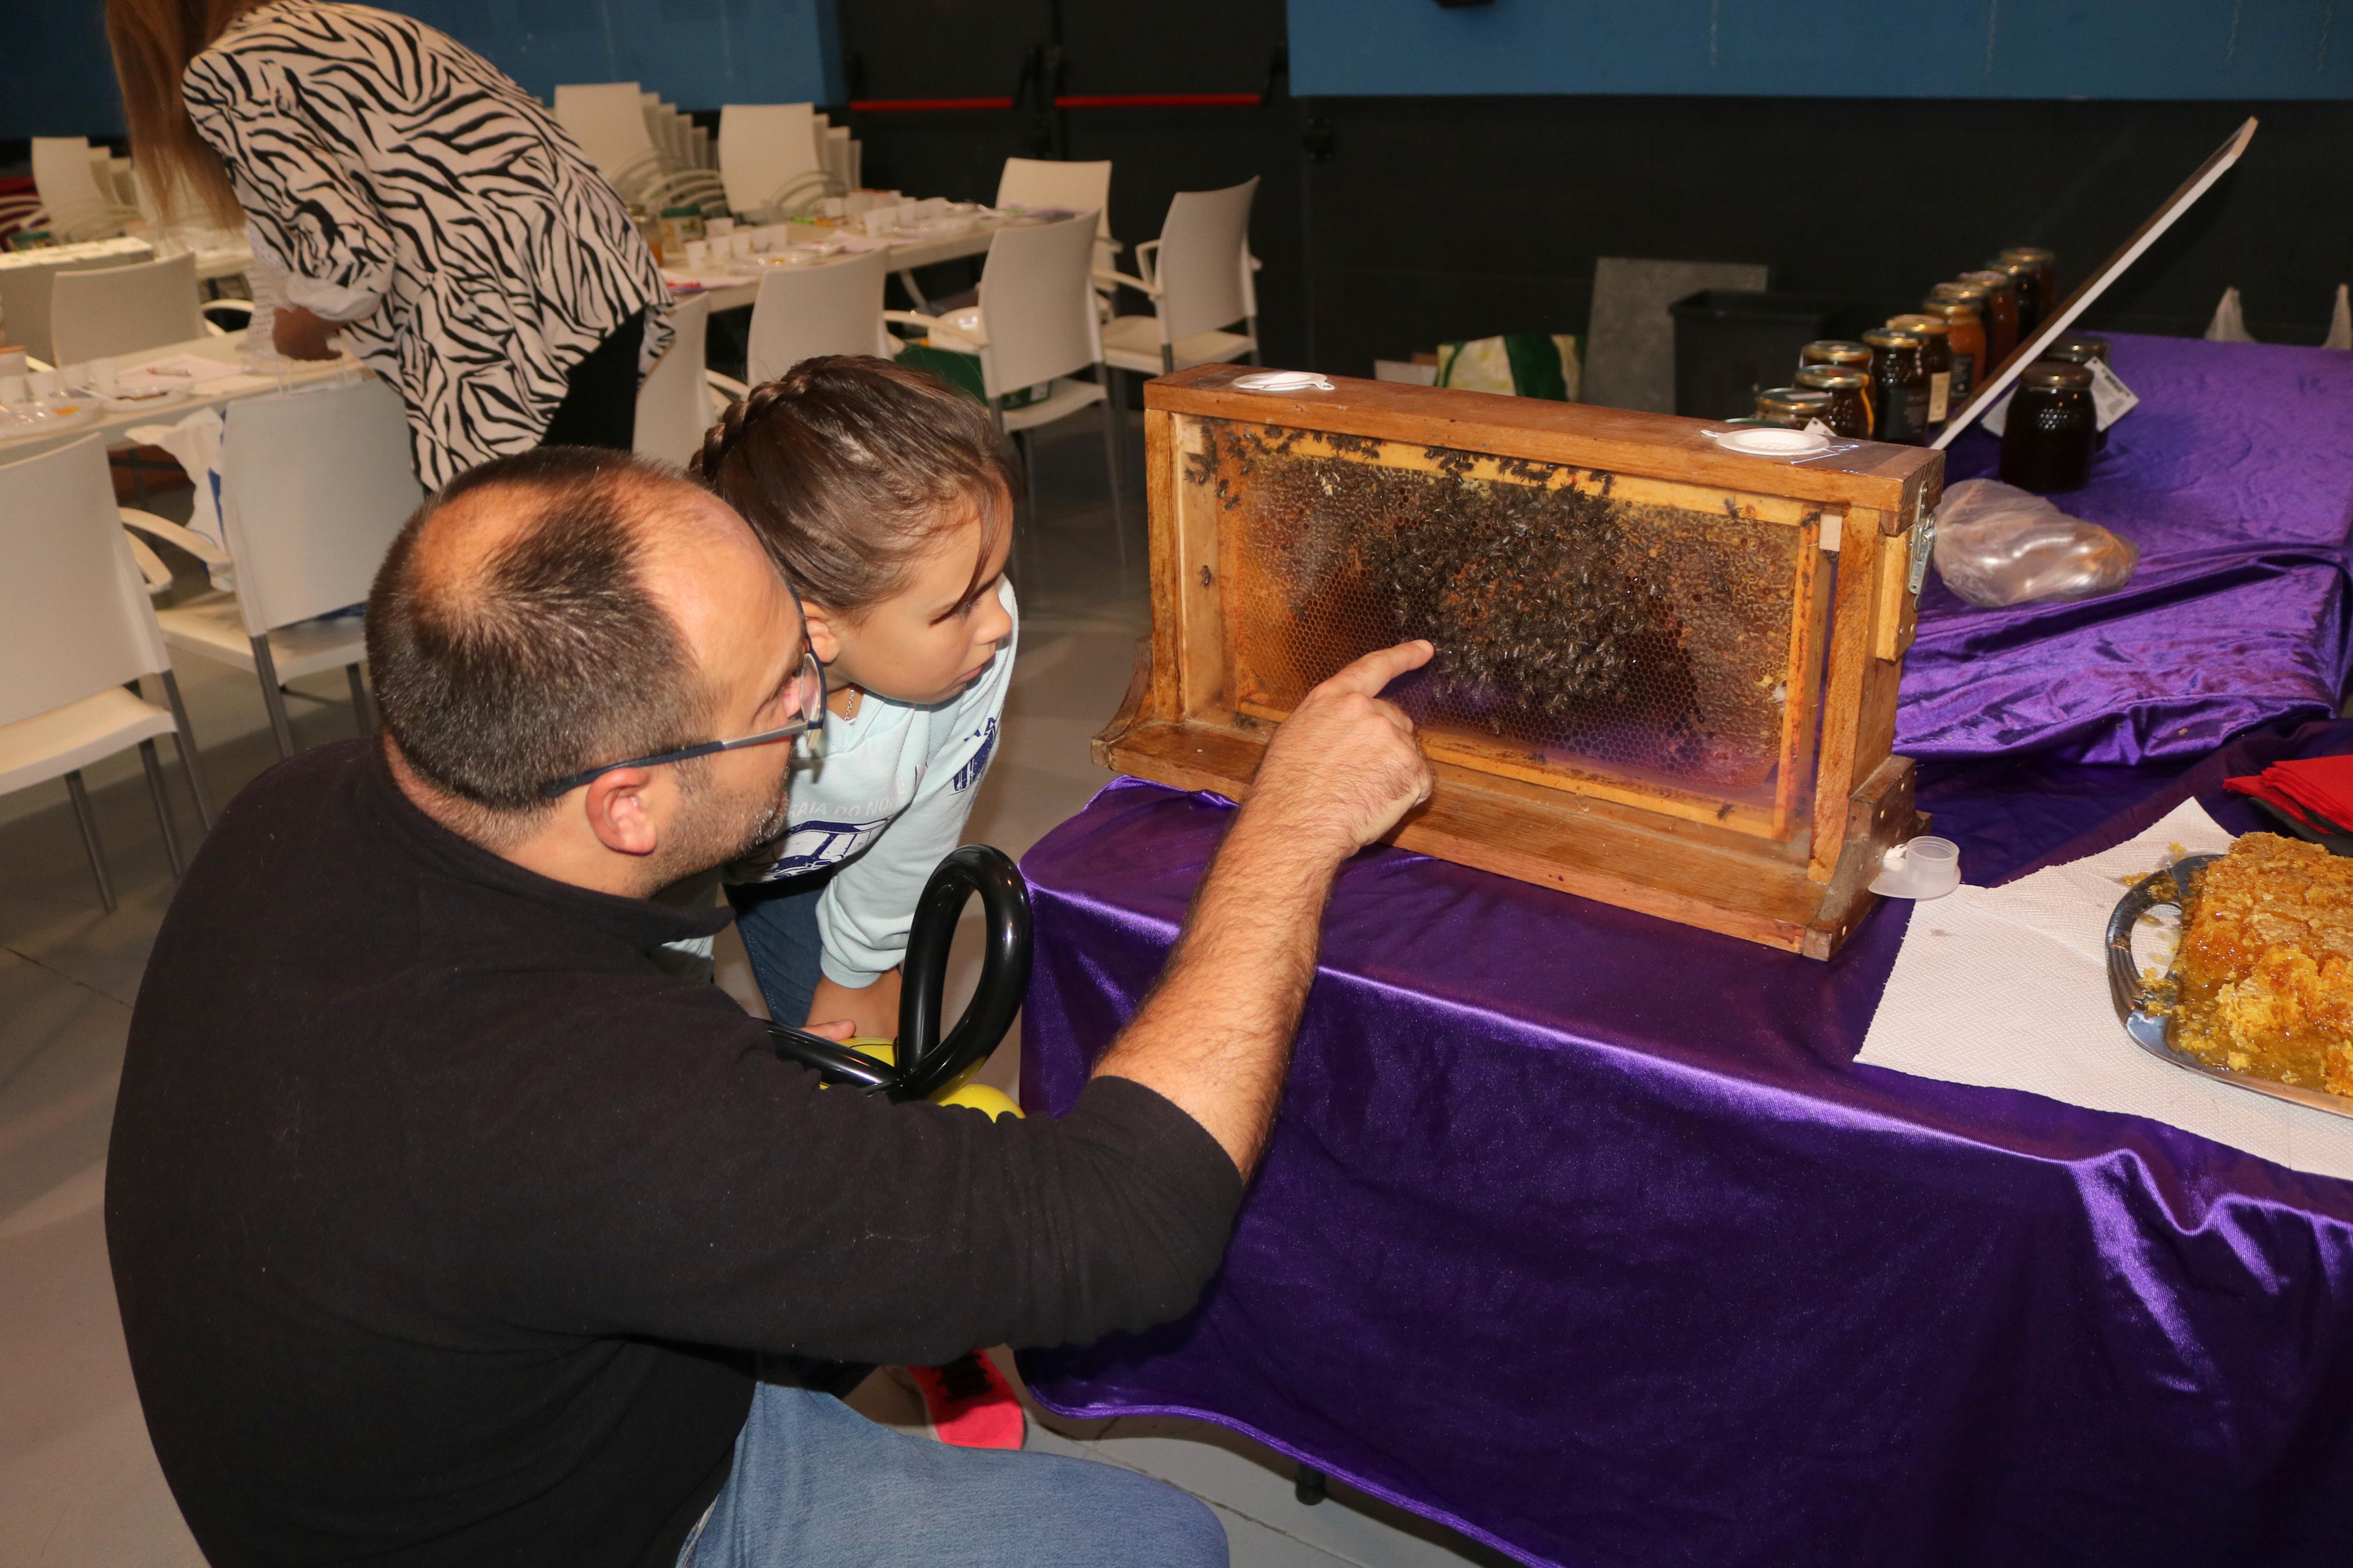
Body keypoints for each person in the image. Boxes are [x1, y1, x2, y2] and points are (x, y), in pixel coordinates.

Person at [106, 445, 1435, 1566]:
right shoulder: (580, 1104)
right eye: (782, 700)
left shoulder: (305, 805)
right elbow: (1128, 1224)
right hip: (601, 1522)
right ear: (625, 804)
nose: (819, 699)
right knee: (1155, 1545)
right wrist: (1287, 835)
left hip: (453, 1411)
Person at [691, 359, 1028, 1446]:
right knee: (694, 1111)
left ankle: (927, 1329)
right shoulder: (696, 701)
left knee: (875, 1095)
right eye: (960, 603)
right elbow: (639, 898)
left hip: (836, 855)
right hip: (687, 865)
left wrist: (855, 976)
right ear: (819, 627)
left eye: (995, 581)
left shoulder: (974, 642)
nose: (997, 621)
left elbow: (929, 816)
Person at [104, 0, 672, 485]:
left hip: (499, 332)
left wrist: (302, 323)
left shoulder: (225, 71)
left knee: (496, 576)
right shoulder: (367, 25)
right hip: (595, 287)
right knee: (586, 551)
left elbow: (352, 255)